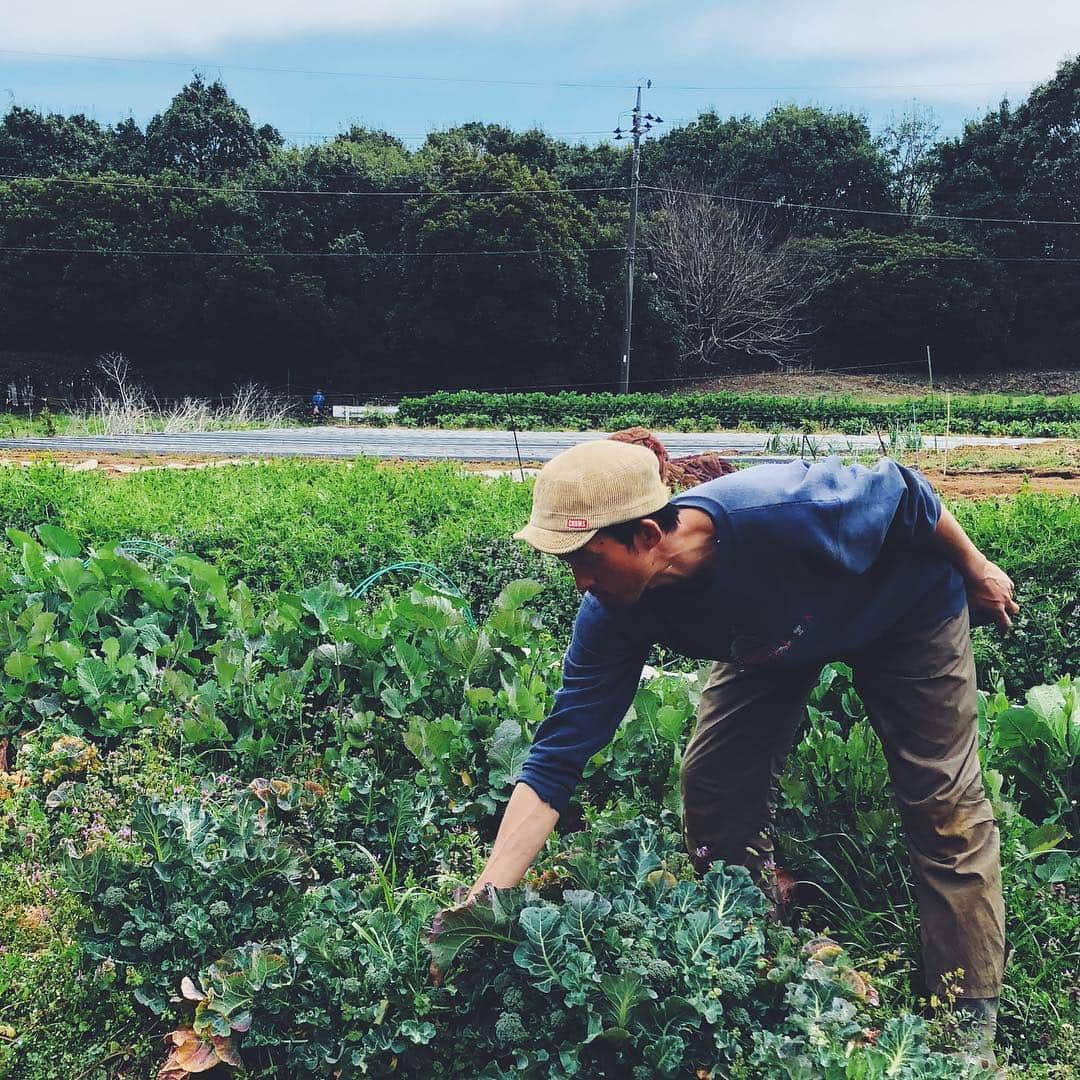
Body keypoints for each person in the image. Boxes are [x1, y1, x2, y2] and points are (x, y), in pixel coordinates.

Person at [463, 440, 1015, 1066]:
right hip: (775, 638)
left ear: (646, 535)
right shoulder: (615, 610)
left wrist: (975, 567)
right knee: (715, 782)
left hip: (901, 609)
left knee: (942, 802)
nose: (580, 581)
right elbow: (557, 758)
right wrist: (483, 901)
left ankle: (968, 1015)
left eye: (588, 559)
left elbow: (909, 493)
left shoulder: (782, 512)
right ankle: (760, 948)